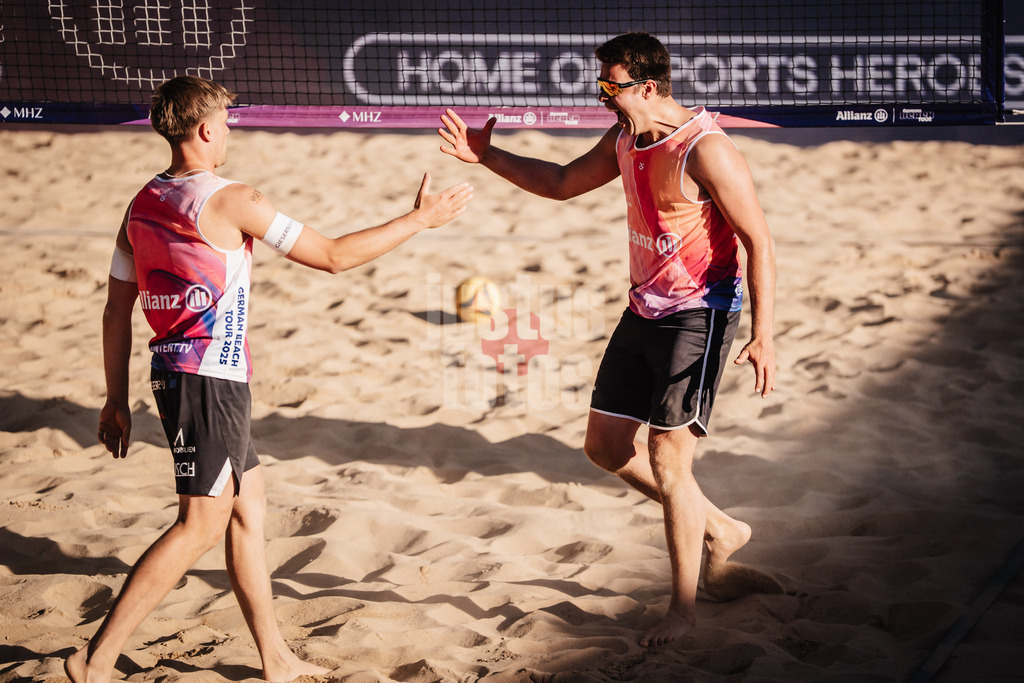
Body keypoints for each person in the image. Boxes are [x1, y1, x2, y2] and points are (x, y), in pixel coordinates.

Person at [66, 75, 473, 683]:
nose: (230, 130)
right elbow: (333, 256)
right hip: (210, 377)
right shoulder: (234, 199)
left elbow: (114, 311)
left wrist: (114, 401)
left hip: (177, 373)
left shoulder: (141, 204)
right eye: (226, 122)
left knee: (247, 510)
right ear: (204, 130)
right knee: (199, 523)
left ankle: (275, 658)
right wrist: (419, 220)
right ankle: (94, 661)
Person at [438, 32, 776, 647]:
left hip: (701, 312)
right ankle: (722, 528)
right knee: (605, 446)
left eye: (611, 87)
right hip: (644, 308)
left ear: (648, 87)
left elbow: (760, 241)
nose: (603, 98)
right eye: (600, 87)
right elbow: (564, 182)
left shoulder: (707, 150)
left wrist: (764, 333)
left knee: (669, 462)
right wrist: (488, 156)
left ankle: (683, 611)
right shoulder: (626, 138)